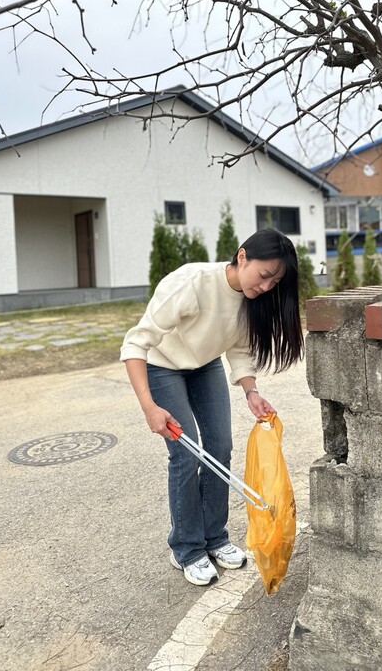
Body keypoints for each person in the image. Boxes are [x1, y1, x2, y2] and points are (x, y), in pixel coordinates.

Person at [120, 228, 304, 586]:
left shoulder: (250, 299)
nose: (267, 287)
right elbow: (135, 344)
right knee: (186, 454)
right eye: (264, 275)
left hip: (203, 366)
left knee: (220, 447)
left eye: (274, 282)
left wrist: (251, 390)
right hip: (162, 366)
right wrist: (149, 408)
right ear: (242, 257)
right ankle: (186, 548)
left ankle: (215, 537)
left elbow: (237, 347)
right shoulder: (191, 283)